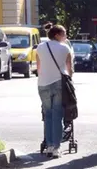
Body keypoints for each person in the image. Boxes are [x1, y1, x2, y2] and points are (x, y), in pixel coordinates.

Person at [36, 23, 73, 158]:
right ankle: (56, 148)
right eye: (64, 34)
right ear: (57, 35)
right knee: (57, 115)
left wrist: (45, 76)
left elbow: (38, 68)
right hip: (58, 83)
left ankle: (49, 145)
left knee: (48, 114)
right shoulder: (65, 48)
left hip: (43, 84)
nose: (66, 36)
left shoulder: (40, 47)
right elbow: (69, 68)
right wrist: (70, 81)